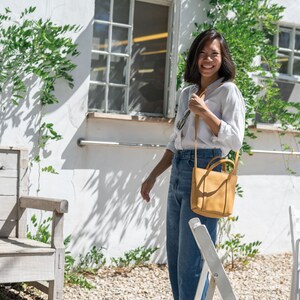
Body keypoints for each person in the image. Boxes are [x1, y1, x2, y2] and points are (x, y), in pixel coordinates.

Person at [140, 29, 245, 300]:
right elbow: (176, 141)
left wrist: (206, 112)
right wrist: (152, 176)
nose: (207, 59)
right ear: (195, 57)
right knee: (175, 254)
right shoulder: (186, 92)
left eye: (214, 54)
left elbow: (235, 140)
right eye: (202, 53)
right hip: (179, 171)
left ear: (223, 58)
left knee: (193, 257)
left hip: (208, 171)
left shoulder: (227, 91)